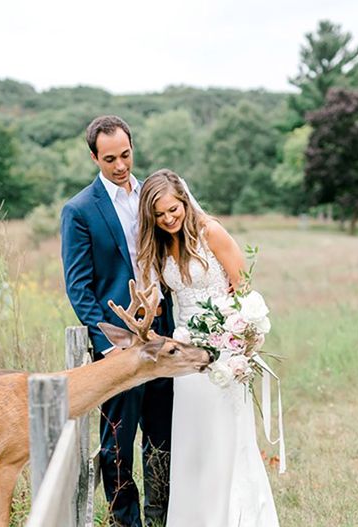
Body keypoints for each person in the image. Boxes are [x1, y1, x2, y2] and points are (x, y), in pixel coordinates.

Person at [136, 169, 279, 526]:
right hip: (185, 355)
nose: (169, 219)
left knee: (225, 436)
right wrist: (144, 311)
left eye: (173, 210)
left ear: (184, 201)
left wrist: (236, 337)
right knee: (193, 438)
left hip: (223, 349)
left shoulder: (209, 232)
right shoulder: (158, 247)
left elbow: (242, 286)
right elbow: (154, 302)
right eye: (160, 215)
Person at [61, 116, 176, 527]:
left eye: (126, 155)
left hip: (163, 334)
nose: (121, 166)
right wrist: (109, 345)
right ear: (94, 157)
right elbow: (79, 287)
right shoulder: (79, 210)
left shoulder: (152, 196)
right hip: (120, 344)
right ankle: (125, 522)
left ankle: (161, 517)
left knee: (163, 436)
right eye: (110, 159)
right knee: (117, 444)